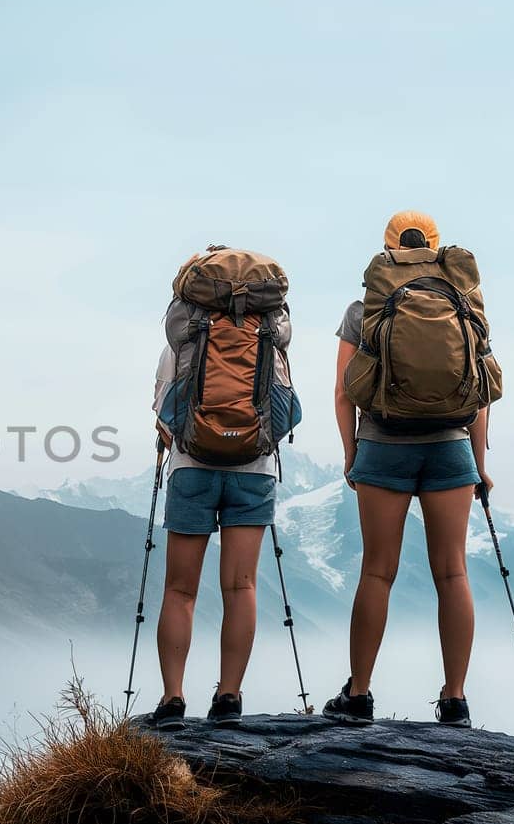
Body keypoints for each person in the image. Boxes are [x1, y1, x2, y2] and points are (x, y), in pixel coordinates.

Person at [323, 211, 491, 728]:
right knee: (453, 572)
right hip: (450, 448)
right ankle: (455, 699)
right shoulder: (465, 302)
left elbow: (344, 390)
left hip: (383, 444)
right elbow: (481, 392)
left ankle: (359, 694)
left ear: (388, 247)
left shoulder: (365, 308)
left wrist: (352, 454)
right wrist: (480, 465)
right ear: (437, 248)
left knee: (377, 571)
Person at [148, 248, 297, 730]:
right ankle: (229, 696)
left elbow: (165, 410)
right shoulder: (270, 336)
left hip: (191, 468)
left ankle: (173, 699)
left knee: (180, 589)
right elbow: (285, 406)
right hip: (253, 471)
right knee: (241, 586)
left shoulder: (185, 336)